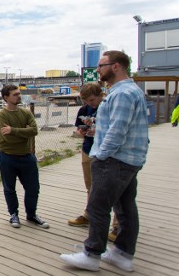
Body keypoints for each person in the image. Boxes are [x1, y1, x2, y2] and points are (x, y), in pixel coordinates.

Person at [61, 51, 149, 272]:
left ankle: (91, 255)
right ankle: (122, 254)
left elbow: (117, 131)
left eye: (101, 65)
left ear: (116, 66)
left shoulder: (122, 94)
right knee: (126, 208)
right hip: (128, 159)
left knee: (98, 207)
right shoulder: (129, 91)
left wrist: (100, 155)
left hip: (114, 160)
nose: (97, 69)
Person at [67, 83, 120, 242]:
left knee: (114, 189)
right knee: (91, 186)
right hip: (88, 150)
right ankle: (88, 215)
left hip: (108, 153)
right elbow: (77, 129)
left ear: (100, 94)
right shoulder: (84, 110)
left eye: (91, 100)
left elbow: (116, 128)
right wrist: (81, 132)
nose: (90, 104)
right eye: (86, 101)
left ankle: (117, 226)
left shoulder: (109, 106)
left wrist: (98, 131)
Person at [0, 85, 49, 229]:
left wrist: (13, 130)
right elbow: (7, 139)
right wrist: (25, 134)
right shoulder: (2, 115)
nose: (18, 96)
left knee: (33, 188)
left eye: (19, 94)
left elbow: (34, 130)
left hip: (27, 157)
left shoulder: (26, 113)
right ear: (6, 97)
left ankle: (31, 215)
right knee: (9, 188)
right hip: (7, 157)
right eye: (15, 94)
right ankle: (13, 214)